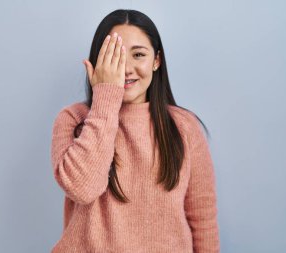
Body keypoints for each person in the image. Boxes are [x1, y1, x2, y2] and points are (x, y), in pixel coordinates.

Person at [50, 9, 220, 253]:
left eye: (138, 54)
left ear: (156, 60)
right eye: (115, 57)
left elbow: (203, 218)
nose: (126, 68)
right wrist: (106, 98)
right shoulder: (73, 119)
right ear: (99, 62)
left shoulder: (184, 127)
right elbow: (83, 188)